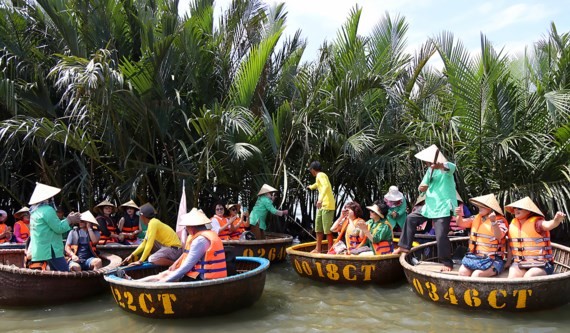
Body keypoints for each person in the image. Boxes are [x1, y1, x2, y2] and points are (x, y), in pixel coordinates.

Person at [394, 144, 458, 272]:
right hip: (430, 206)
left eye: (428, 162)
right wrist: (421, 188)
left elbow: (452, 168)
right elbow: (422, 186)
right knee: (411, 218)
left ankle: (447, 263)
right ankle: (404, 246)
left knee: (441, 235)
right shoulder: (429, 171)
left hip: (443, 207)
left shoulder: (446, 169)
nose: (427, 164)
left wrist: (440, 166)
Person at [135, 208, 227, 282]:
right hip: (198, 274)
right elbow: (186, 253)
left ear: (192, 226)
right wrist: (175, 263)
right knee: (163, 274)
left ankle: (136, 283)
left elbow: (186, 267)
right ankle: (135, 282)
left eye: (187, 226)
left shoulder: (200, 240)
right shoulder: (199, 235)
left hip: (202, 278)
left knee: (165, 276)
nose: (186, 228)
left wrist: (166, 281)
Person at [506, 197, 566, 278]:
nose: (516, 210)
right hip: (520, 263)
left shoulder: (537, 223)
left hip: (541, 264)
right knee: (512, 278)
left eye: (519, 208)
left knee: (529, 276)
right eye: (514, 208)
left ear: (528, 211)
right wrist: (508, 262)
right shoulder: (513, 224)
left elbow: (549, 225)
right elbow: (511, 247)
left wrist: (556, 221)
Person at [28, 182, 80, 271]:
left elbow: (53, 225)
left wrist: (67, 219)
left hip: (42, 249)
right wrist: (69, 220)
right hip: (51, 249)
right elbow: (59, 228)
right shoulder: (48, 210)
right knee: (65, 273)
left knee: (55, 273)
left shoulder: (34, 212)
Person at [454, 194, 508, 277]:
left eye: (482, 206)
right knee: (462, 272)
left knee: (477, 274)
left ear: (490, 208)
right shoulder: (476, 218)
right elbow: (461, 223)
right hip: (474, 257)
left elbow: (499, 236)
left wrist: (493, 222)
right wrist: (459, 215)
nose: (479, 207)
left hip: (493, 259)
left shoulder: (500, 221)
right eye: (478, 205)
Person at [307, 161, 336, 254]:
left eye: (310, 170)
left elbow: (326, 186)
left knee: (327, 230)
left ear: (313, 170)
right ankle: (318, 249)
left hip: (327, 205)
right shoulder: (319, 177)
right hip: (322, 206)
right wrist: (311, 187)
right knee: (318, 228)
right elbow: (318, 185)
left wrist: (320, 200)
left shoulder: (321, 175)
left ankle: (330, 250)